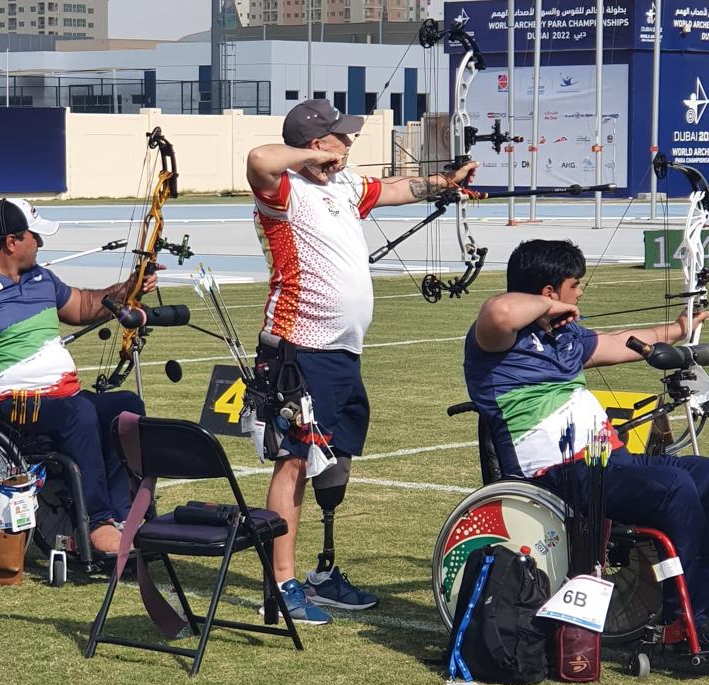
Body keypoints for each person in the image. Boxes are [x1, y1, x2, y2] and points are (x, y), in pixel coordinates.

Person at [247, 98, 478, 624]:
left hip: (342, 352)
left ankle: (322, 573)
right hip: (298, 348)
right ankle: (280, 584)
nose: (349, 143)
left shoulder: (345, 188)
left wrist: (445, 182)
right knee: (295, 461)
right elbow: (260, 158)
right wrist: (304, 159)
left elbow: (397, 189)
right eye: (339, 137)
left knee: (336, 460)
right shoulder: (284, 193)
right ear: (314, 143)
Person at [464, 237, 709, 631]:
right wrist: (548, 306)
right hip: (556, 474)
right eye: (574, 285)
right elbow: (498, 311)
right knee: (674, 487)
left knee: (703, 475)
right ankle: (689, 621)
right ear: (549, 292)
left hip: (608, 462)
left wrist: (680, 328)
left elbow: (620, 342)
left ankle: (696, 601)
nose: (581, 292)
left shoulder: (566, 338)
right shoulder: (498, 343)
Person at [0, 197, 158, 555]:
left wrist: (127, 287)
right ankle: (98, 523)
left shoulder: (41, 278)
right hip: (4, 405)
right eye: (34, 237)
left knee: (126, 408)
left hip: (59, 398)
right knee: (79, 414)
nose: (40, 244)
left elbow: (84, 304)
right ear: (12, 242)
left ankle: (123, 515)